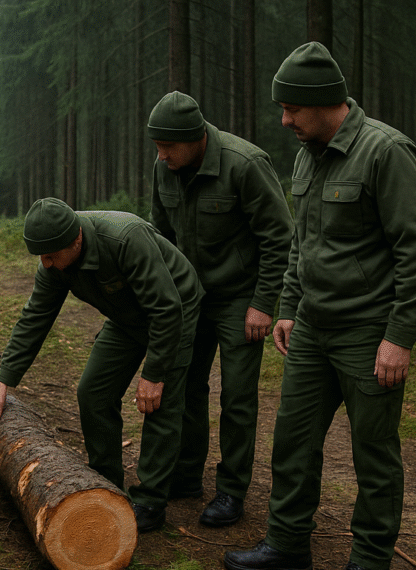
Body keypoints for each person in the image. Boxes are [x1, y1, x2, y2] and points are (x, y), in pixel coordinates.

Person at [223, 42, 416, 570]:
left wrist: (400, 335)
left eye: (292, 108)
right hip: (312, 330)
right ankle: (287, 545)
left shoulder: (385, 152)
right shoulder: (306, 154)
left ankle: (369, 558)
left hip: (369, 334)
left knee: (374, 454)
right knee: (292, 441)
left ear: (323, 102)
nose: (284, 119)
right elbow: (302, 242)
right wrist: (290, 306)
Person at [0, 197, 203, 533]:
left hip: (173, 311)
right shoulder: (53, 258)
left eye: (51, 255)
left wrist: (153, 374)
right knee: (92, 392)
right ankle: (106, 482)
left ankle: (151, 500)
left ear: (77, 239)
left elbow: (165, 310)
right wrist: (1, 383)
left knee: (159, 401)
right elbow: (35, 318)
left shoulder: (126, 238)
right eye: (41, 256)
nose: (46, 263)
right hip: (125, 317)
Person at [148, 91, 292, 527]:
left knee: (238, 395)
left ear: (196, 138)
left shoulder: (244, 164)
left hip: (240, 299)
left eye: (168, 146)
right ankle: (187, 475)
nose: (161, 155)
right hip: (190, 300)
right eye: (156, 146)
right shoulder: (164, 168)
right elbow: (159, 238)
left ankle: (231, 490)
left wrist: (264, 304)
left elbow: (279, 237)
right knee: (187, 386)